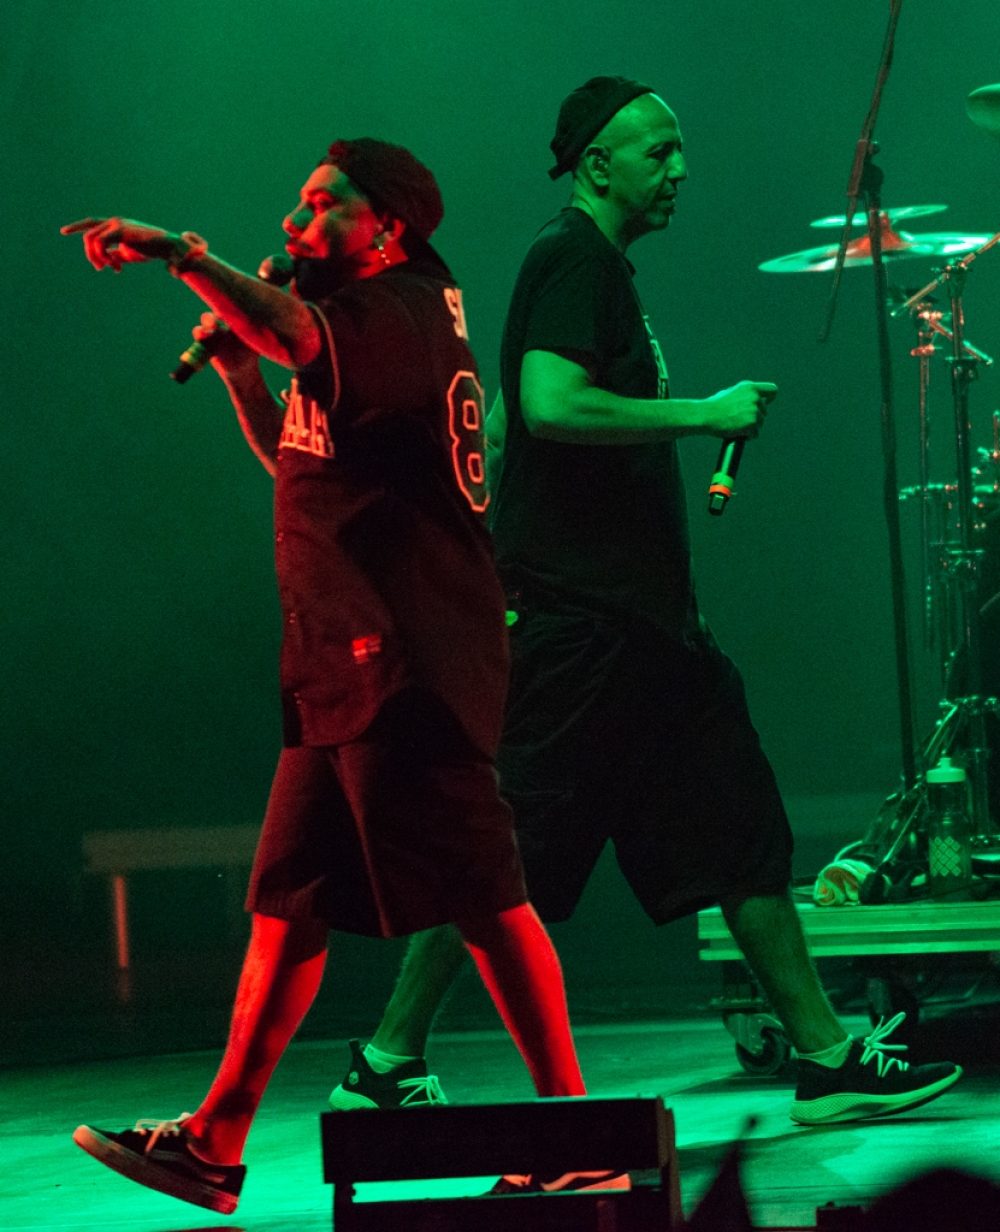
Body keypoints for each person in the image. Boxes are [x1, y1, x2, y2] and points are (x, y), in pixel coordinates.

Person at [326, 79, 963, 1128]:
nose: (679, 170)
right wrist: (702, 411)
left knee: (740, 828)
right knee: (504, 850)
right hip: (580, 629)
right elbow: (549, 404)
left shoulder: (596, 270)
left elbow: (517, 423)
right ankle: (386, 1061)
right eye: (658, 152)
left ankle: (825, 1058)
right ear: (597, 166)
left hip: (645, 634)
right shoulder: (572, 257)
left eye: (679, 151)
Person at [61, 138, 625, 1215]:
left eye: (323, 205)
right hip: (341, 661)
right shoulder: (372, 326)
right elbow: (302, 457)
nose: (295, 222)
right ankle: (213, 1141)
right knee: (289, 901)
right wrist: (240, 374)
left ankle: (575, 1133)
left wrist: (181, 254)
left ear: (386, 229)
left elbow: (293, 332)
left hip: (403, 661)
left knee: (486, 894)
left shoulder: (398, 313)